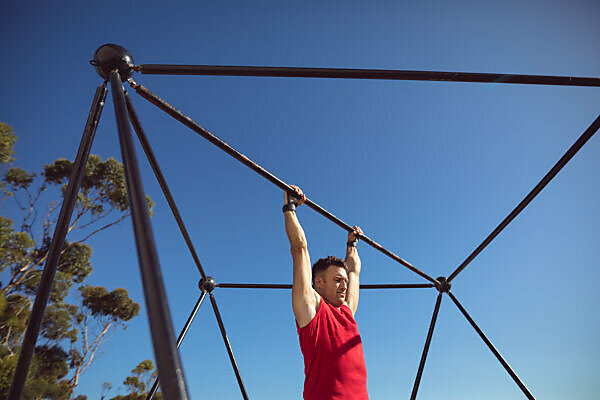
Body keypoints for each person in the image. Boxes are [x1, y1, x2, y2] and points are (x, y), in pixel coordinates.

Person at [283, 185, 369, 400]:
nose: (344, 285)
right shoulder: (311, 310)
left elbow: (355, 272)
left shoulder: (347, 312)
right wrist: (290, 207)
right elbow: (299, 248)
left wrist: (352, 244)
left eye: (344, 281)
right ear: (318, 283)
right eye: (338, 280)